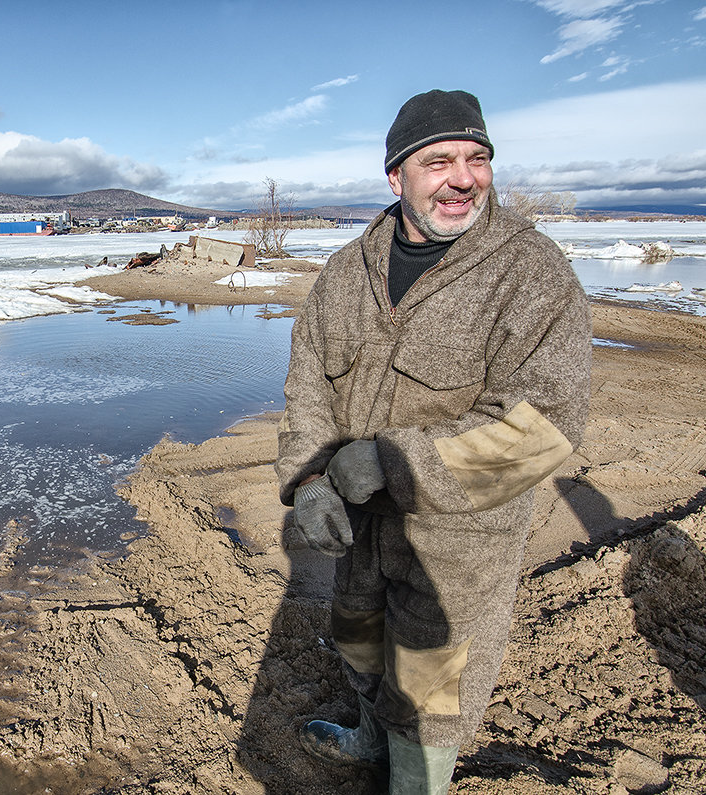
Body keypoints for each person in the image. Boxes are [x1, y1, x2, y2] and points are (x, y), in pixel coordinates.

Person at [275, 89, 591, 794]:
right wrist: (306, 483)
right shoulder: (344, 274)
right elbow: (308, 390)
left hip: (459, 541)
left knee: (431, 688)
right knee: (358, 639)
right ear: (397, 176)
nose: (464, 177)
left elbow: (543, 425)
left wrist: (393, 460)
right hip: (362, 530)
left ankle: (415, 783)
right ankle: (366, 739)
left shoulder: (531, 274)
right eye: (439, 159)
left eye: (477, 158)